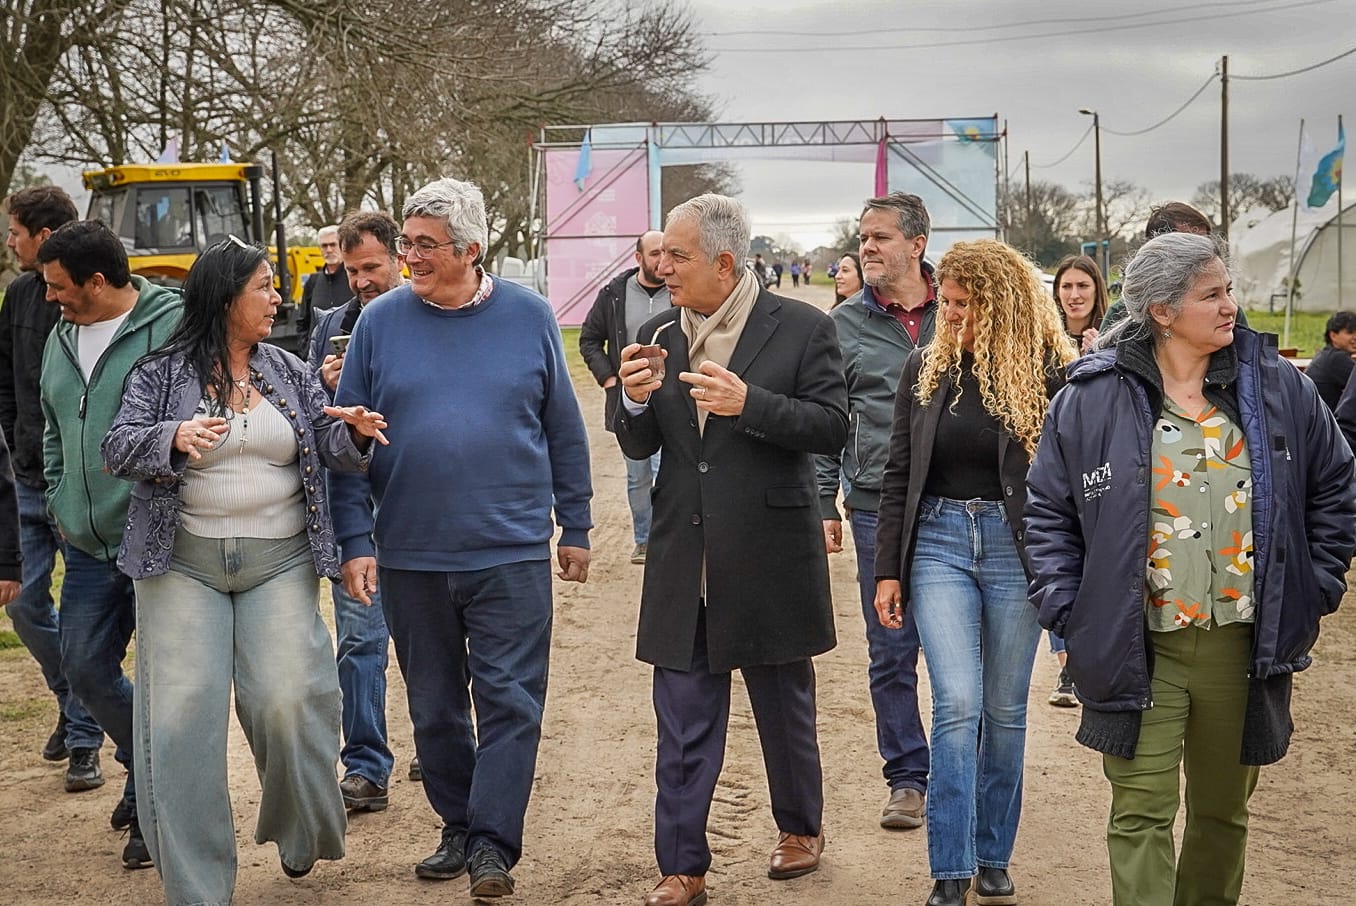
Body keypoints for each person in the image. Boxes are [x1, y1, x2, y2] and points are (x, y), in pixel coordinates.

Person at [1027, 231, 1356, 906]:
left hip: (1243, 648)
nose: (1230, 304)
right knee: (1141, 814)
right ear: (1162, 311)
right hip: (1136, 646)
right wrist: (1071, 610)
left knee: (1220, 816)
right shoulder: (1091, 398)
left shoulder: (1279, 389)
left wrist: (1314, 586)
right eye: (1212, 294)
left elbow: (1336, 487)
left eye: (1229, 288)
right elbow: (1047, 515)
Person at [101, 237, 389, 904]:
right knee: (180, 721)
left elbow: (325, 443)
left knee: (290, 700)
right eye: (264, 286)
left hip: (279, 559)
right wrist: (170, 438)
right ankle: (199, 887)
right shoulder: (158, 372)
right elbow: (117, 446)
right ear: (226, 297)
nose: (277, 297)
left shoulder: (286, 369)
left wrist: (351, 431)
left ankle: (299, 828)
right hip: (182, 563)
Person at [333, 177, 592, 900]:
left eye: (424, 245)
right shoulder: (380, 323)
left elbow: (562, 427)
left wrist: (576, 522)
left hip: (509, 549)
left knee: (511, 700)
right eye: (406, 243)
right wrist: (356, 537)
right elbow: (345, 439)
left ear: (471, 251)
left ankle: (491, 844)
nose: (409, 256)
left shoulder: (530, 315)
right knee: (435, 705)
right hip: (411, 551)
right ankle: (458, 820)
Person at [616, 193, 847, 906]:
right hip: (685, 560)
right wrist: (627, 401)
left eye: (677, 257)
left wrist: (753, 405)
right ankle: (682, 865)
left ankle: (799, 828)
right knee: (681, 723)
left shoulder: (803, 328)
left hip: (770, 551)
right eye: (660, 256)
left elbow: (833, 427)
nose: (663, 268)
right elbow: (640, 443)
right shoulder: (659, 332)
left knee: (783, 711)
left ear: (724, 261)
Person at [873, 239, 1075, 906]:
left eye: (964, 305)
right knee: (956, 702)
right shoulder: (923, 368)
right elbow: (898, 472)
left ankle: (994, 852)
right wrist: (887, 572)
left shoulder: (1049, 373)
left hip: (1014, 548)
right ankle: (950, 869)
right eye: (948, 304)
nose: (950, 316)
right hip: (937, 541)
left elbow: (1066, 485)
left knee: (1004, 709)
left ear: (1002, 306)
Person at [38, 220, 183, 870]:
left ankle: (158, 807)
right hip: (90, 543)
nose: (51, 298)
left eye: (60, 286)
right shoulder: (61, 336)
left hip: (159, 540)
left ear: (98, 281)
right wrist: (57, 495)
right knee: (84, 667)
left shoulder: (172, 324)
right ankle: (143, 769)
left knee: (164, 685)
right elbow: (49, 421)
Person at [817, 193, 935, 834]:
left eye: (880, 237)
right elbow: (831, 419)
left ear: (917, 244)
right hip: (874, 506)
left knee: (955, 646)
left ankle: (960, 769)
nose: (867, 248)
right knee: (891, 646)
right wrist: (822, 499)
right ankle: (907, 779)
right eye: (863, 237)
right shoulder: (843, 324)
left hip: (956, 503)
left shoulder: (963, 309)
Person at [1, 187, 107, 786]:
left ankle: (85, 738)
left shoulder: (95, 300)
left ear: (43, 236)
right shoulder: (19, 295)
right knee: (26, 602)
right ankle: (74, 702)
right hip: (25, 481)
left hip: (78, 487)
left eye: (14, 231)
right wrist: (13, 440)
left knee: (82, 616)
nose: (9, 241)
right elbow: (6, 380)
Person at [306, 210, 409, 810]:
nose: (362, 280)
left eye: (372, 267)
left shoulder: (427, 321)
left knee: (441, 641)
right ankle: (366, 765)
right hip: (356, 503)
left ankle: (447, 740)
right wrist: (326, 387)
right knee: (360, 640)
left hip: (420, 501)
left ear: (398, 257)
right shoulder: (330, 327)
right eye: (352, 270)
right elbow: (313, 420)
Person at [579, 231, 671, 565]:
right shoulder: (614, 294)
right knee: (638, 474)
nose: (662, 260)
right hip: (630, 400)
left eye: (667, 252)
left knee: (666, 469)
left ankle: (667, 537)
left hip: (672, 397)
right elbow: (589, 339)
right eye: (655, 253)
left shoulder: (679, 291)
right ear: (638, 258)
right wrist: (609, 379)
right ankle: (644, 539)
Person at [1100, 202, 1250, 334]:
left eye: (1205, 241)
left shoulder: (1230, 312)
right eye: (1187, 245)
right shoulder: (1122, 314)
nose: (1205, 253)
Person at [1053, 254, 1108, 355]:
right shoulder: (1044, 340)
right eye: (1066, 286)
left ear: (1097, 290)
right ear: (1057, 291)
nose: (1074, 295)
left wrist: (1101, 355)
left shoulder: (1115, 339)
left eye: (1083, 286)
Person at [1303, 310, 1356, 409]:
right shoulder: (1337, 359)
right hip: (1326, 421)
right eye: (1350, 332)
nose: (1355, 337)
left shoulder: (1326, 354)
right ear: (1333, 335)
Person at [301, 224, 350, 314]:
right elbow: (303, 321)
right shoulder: (313, 282)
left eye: (333, 245)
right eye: (324, 246)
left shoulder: (353, 278)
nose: (329, 250)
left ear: (343, 246)